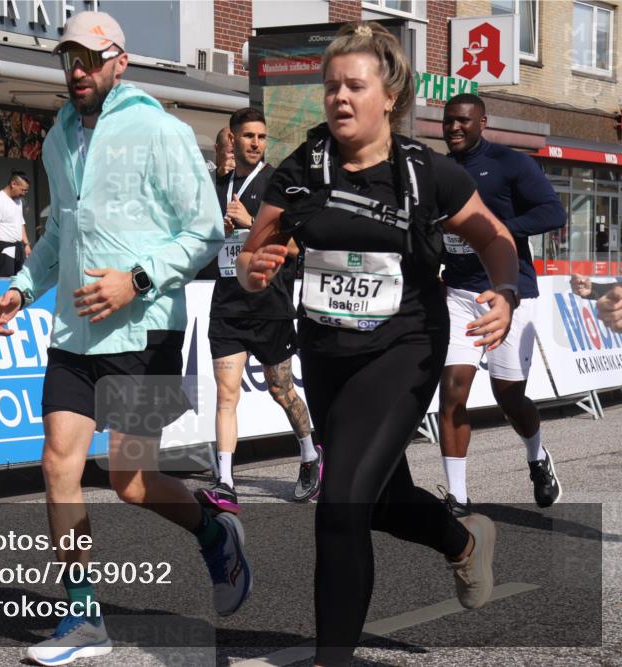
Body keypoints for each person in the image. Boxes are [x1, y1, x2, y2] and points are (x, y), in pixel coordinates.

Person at [237, 22, 519, 666]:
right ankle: (464, 541)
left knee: (340, 505)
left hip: (406, 347)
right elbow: (257, 252)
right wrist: (257, 267)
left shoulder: (427, 174)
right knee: (382, 502)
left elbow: (495, 237)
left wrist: (504, 291)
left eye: (354, 85)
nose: (338, 97)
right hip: (328, 350)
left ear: (388, 96)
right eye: (330, 85)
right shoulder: (302, 169)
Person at [0, 11, 249, 666]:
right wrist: (23, 286)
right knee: (58, 462)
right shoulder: (58, 139)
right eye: (68, 58)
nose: (76, 70)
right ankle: (81, 616)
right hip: (73, 331)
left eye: (89, 59)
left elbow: (204, 229)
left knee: (133, 479)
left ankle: (216, 532)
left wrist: (137, 278)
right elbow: (58, 236)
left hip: (144, 331)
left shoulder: (159, 130)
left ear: (118, 63)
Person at [437, 93, 567, 514]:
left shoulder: (511, 163)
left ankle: (537, 457)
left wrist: (495, 231)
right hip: (458, 293)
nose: (454, 128)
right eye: (448, 121)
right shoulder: (438, 170)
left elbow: (553, 213)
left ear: (482, 122)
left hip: (509, 292)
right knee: (453, 390)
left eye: (463, 121)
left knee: (508, 396)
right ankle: (457, 495)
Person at [197, 106, 321, 515]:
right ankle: (226, 481)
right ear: (231, 139)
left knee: (280, 389)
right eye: (248, 135)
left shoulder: (279, 183)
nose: (255, 143)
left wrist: (252, 225)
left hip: (271, 304)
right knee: (226, 396)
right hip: (228, 305)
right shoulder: (216, 185)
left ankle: (309, 455)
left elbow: (297, 249)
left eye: (261, 137)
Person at [0, 170, 32, 277]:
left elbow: (20, 223)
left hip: (17, 249)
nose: (24, 193)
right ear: (13, 184)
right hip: (3, 251)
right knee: (5, 284)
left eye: (26, 191)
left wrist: (26, 244)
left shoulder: (18, 201)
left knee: (17, 284)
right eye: (23, 190)